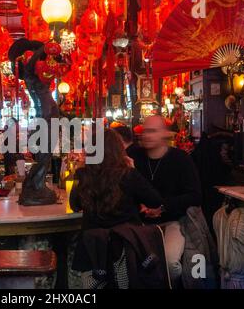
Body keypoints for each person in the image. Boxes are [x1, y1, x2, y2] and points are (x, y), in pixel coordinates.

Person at [70, 129, 165, 270]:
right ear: (119, 150)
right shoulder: (127, 174)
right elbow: (155, 200)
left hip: (94, 252)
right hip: (126, 248)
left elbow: (75, 205)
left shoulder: (83, 174)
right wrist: (133, 169)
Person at [128, 115, 202, 284]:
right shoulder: (134, 156)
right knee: (131, 263)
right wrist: (139, 205)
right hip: (140, 223)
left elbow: (196, 195)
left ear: (165, 134)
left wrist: (162, 207)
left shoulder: (180, 158)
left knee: (169, 263)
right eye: (144, 131)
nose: (146, 135)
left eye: (152, 131)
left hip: (173, 221)